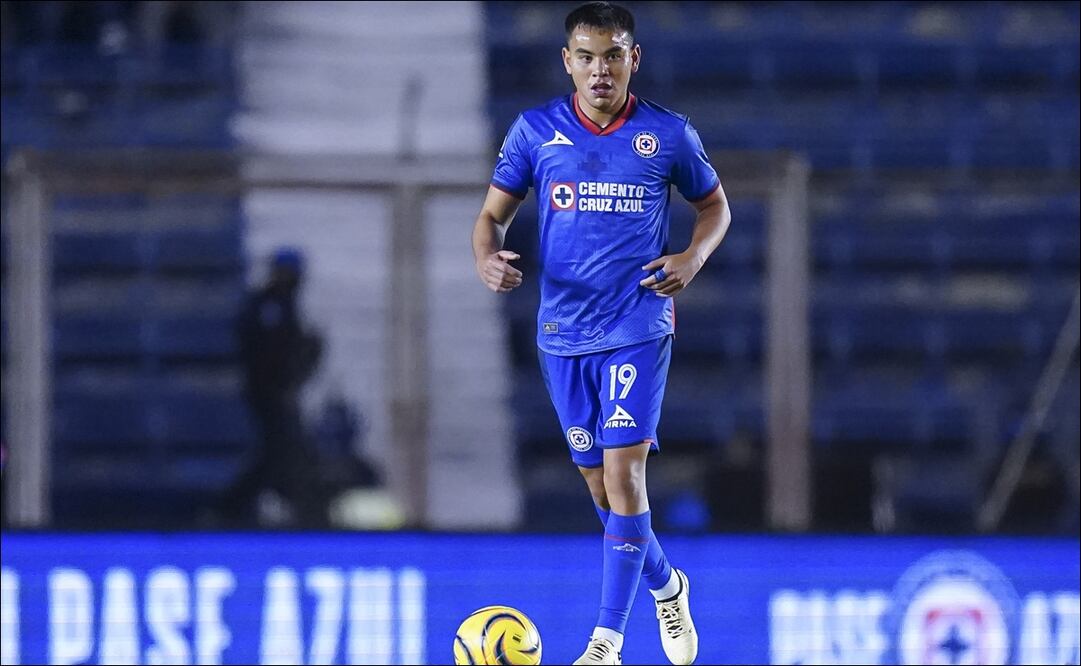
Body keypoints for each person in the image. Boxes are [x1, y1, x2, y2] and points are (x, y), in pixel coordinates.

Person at [470, 3, 731, 664]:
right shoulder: (534, 133)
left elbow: (714, 206)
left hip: (636, 325)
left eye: (612, 55)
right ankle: (668, 585)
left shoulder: (668, 136)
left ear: (632, 59)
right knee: (601, 490)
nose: (599, 70)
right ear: (567, 61)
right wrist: (485, 256)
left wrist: (691, 259)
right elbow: (490, 217)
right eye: (585, 56)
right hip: (561, 335)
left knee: (625, 473)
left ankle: (605, 642)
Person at [216, 247, 327, 527]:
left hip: (279, 394)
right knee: (277, 452)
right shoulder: (269, 305)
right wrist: (281, 384)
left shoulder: (284, 305)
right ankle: (231, 506)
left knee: (282, 453)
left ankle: (296, 506)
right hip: (268, 395)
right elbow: (267, 353)